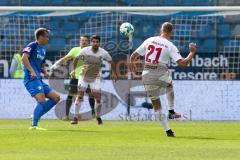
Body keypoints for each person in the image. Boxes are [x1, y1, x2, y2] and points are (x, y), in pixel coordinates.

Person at [130, 22, 196, 137]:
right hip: (161, 74)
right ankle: (171, 111)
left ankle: (168, 130)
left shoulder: (149, 40)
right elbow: (183, 63)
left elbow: (132, 57)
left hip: (147, 75)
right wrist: (191, 52)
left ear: (161, 30)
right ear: (171, 32)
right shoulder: (170, 45)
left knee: (156, 105)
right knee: (169, 85)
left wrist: (134, 69)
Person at [71, 35, 117, 125]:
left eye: (97, 42)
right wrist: (74, 70)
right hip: (83, 76)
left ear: (99, 43)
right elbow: (76, 59)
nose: (95, 43)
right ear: (91, 42)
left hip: (95, 78)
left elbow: (111, 61)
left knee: (98, 99)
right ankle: (75, 117)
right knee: (80, 96)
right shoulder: (85, 50)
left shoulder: (103, 52)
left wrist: (115, 73)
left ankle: (98, 116)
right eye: (94, 42)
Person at [22, 28, 60, 130]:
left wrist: (44, 72)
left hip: (38, 78)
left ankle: (36, 115)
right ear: (40, 37)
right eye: (46, 37)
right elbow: (24, 58)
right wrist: (32, 71)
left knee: (56, 97)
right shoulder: (32, 45)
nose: (48, 39)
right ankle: (34, 125)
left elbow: (39, 65)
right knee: (41, 100)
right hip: (31, 78)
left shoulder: (43, 50)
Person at [51, 35, 95, 120]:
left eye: (86, 40)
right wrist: (56, 64)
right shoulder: (75, 50)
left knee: (91, 95)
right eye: (82, 40)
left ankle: (93, 114)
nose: (84, 42)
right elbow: (65, 58)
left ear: (88, 42)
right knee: (70, 95)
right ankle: (66, 115)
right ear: (80, 41)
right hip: (75, 77)